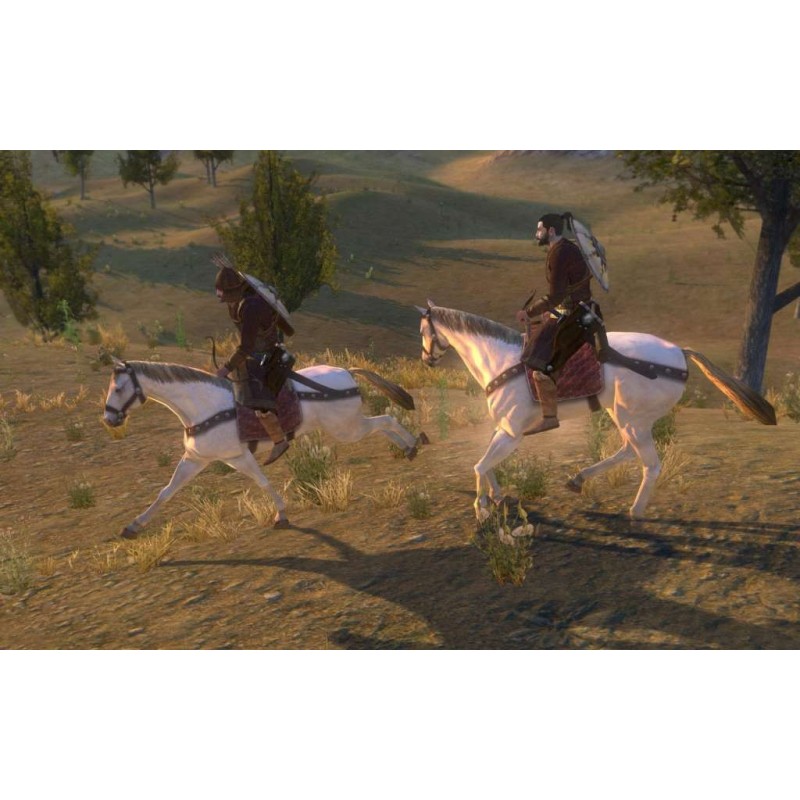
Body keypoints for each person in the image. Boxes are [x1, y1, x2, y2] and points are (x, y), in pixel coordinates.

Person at [515, 212, 593, 434]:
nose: (536, 233)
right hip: (576, 309)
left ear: (550, 231)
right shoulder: (566, 248)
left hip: (572, 313)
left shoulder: (560, 253)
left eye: (539, 229)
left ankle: (549, 416)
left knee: (538, 364)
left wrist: (529, 312)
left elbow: (556, 296)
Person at [213, 257, 294, 465]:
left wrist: (226, 368)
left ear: (233, 291)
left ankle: (278, 440)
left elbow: (246, 347)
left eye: (224, 294)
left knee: (256, 396)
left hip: (265, 354)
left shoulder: (251, 307)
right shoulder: (244, 300)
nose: (223, 298)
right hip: (257, 351)